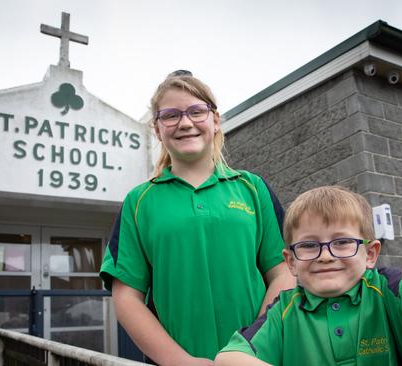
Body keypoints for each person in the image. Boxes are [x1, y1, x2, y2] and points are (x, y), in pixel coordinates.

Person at [99, 71, 296, 365]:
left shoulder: (253, 188)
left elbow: (284, 272)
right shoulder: (139, 202)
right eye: (171, 115)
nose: (185, 123)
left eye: (196, 111)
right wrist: (180, 361)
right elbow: (127, 297)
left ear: (215, 120)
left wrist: (253, 347)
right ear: (157, 129)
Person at [215, 185, 402, 366]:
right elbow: (229, 358)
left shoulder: (388, 290)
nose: (326, 256)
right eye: (309, 246)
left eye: (342, 242)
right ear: (291, 262)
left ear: (370, 254)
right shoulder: (283, 311)